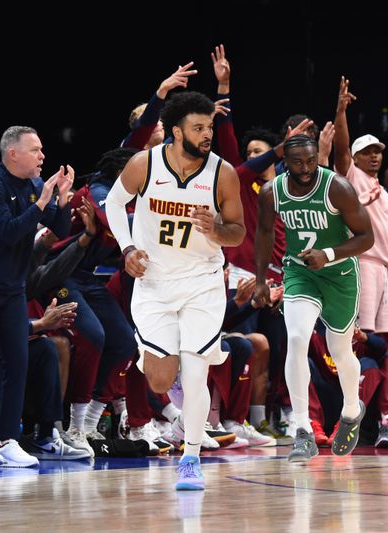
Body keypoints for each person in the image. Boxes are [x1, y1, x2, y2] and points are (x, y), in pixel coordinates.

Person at [105, 91, 245, 490]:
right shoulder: (144, 164)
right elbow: (115, 205)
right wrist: (128, 247)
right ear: (176, 130)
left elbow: (237, 233)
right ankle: (153, 352)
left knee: (197, 370)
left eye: (210, 127)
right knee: (161, 381)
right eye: (199, 128)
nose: (207, 135)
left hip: (202, 281)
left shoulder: (222, 173)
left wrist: (216, 229)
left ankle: (191, 456)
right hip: (155, 282)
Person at [253, 133, 374, 462]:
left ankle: (351, 411)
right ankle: (302, 430)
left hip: (339, 275)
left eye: (311, 160)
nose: (306, 168)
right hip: (299, 272)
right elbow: (264, 233)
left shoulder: (336, 187)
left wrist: (330, 253)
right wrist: (262, 278)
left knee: (339, 348)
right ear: (285, 164)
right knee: (296, 338)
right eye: (297, 162)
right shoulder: (272, 192)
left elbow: (367, 237)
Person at [0, 126, 72, 467]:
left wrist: (61, 200)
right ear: (13, 154)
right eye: (35, 150)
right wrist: (41, 203)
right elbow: (9, 232)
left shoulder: (35, 186)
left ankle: (8, 438)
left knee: (19, 358)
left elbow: (61, 230)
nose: (42, 156)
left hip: (11, 286)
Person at [333, 77, 388, 336]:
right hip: (359, 261)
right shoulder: (349, 175)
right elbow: (341, 149)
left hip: (380, 267)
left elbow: (384, 239)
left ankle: (368, 377)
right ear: (356, 157)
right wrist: (341, 111)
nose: (374, 156)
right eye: (368, 152)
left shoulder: (382, 192)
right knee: (358, 333)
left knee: (377, 335)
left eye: (378, 151)